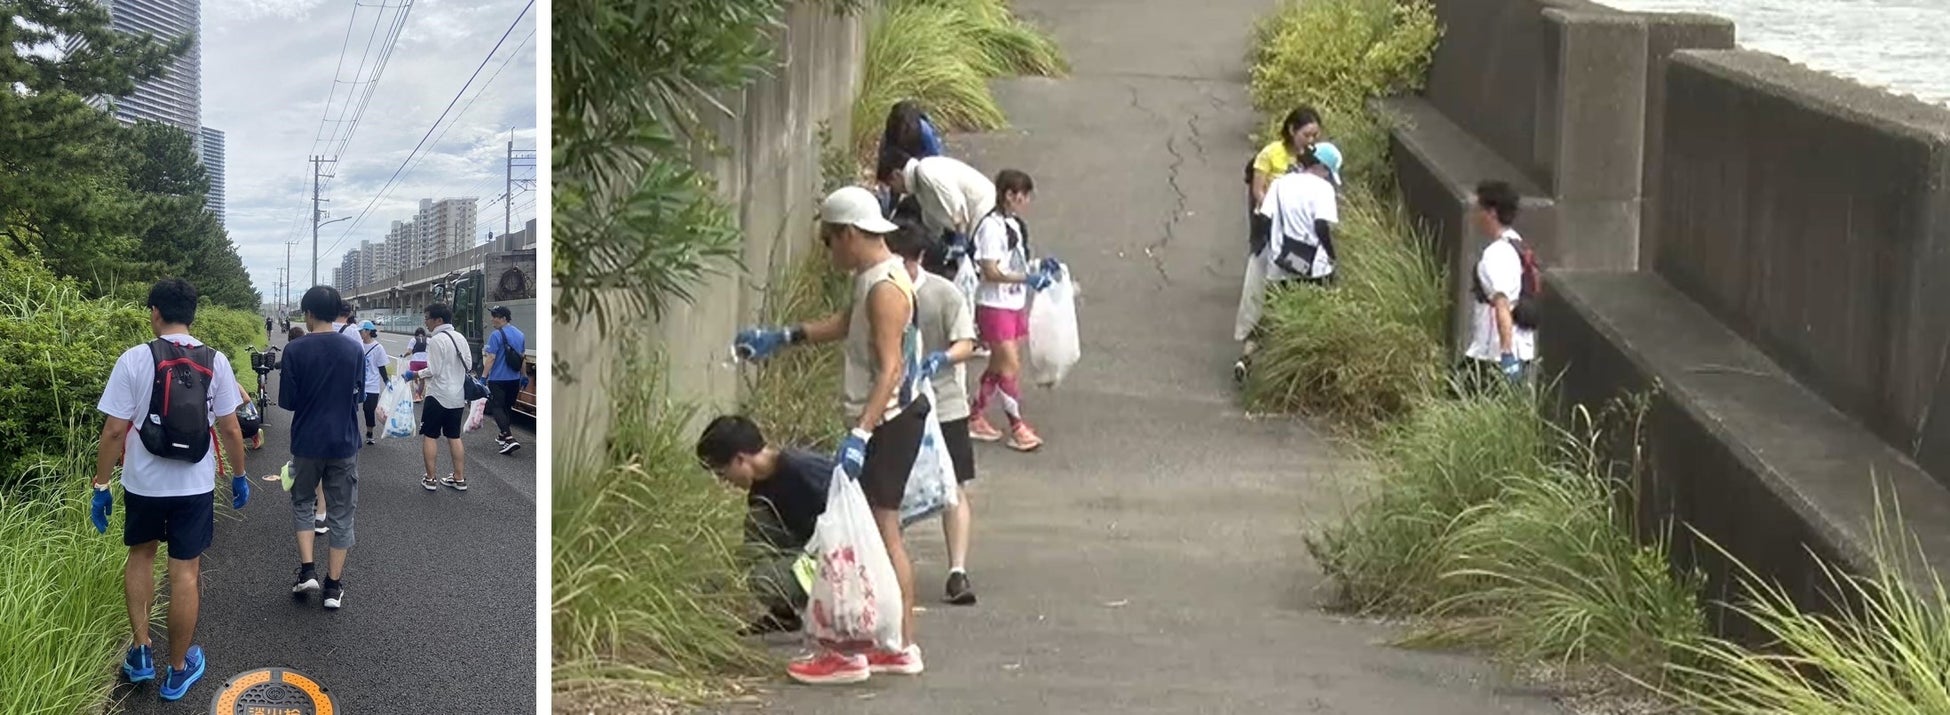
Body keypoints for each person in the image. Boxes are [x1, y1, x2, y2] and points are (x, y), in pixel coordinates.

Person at [735, 185, 930, 684]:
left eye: (828, 240)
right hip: (888, 420)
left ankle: (869, 646)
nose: (827, 251)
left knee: (879, 535)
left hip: (888, 421)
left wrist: (862, 434)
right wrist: (786, 337)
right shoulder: (873, 276)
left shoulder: (886, 286)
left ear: (848, 234)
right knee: (877, 533)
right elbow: (850, 323)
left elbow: (889, 368)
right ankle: (892, 644)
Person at [93, 279, 249, 701]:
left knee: (141, 555)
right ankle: (177, 670)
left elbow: (112, 431)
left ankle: (141, 653)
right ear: (193, 315)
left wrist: (101, 484)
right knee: (185, 572)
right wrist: (238, 475)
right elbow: (231, 428)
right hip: (193, 485)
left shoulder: (134, 359)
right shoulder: (215, 361)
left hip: (143, 483)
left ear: (155, 313)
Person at [888, 218, 984, 604]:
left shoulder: (944, 295)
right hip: (897, 404)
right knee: (891, 490)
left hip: (944, 403)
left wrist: (940, 359)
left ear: (920, 259)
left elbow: (967, 342)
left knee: (953, 486)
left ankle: (957, 571)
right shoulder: (881, 292)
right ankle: (893, 569)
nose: (900, 269)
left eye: (906, 262)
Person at [694, 415, 835, 635]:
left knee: (763, 579)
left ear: (740, 459)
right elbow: (753, 549)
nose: (723, 481)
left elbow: (857, 508)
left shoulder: (803, 469)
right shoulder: (760, 491)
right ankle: (783, 616)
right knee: (758, 521)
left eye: (722, 473)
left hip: (842, 555)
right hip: (810, 543)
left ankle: (833, 614)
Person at [280, 286, 363, 610]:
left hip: (306, 441)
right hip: (343, 441)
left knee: (303, 501)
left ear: (309, 314)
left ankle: (307, 571)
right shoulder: (353, 349)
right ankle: (333, 587)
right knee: (342, 512)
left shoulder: (295, 350)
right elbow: (357, 395)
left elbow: (287, 401)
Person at [1235, 142, 1344, 382]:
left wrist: (1268, 249)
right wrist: (1332, 257)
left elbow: (1264, 218)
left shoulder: (1281, 184)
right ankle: (1301, 372)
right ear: (1323, 168)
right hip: (1315, 266)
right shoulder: (1324, 190)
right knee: (1316, 316)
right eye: (1329, 173)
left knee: (1272, 312)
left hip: (1281, 262)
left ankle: (1247, 357)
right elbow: (1322, 226)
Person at [968, 169, 1058, 451]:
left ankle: (974, 416)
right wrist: (1025, 279)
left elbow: (1015, 261)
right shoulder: (990, 228)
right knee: (1010, 366)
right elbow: (991, 271)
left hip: (1013, 304)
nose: (1026, 201)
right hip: (994, 306)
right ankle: (1017, 427)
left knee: (998, 365)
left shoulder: (1014, 225)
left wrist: (1037, 267)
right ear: (1009, 195)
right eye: (1023, 196)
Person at [876, 148, 996, 280]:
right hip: (972, 221)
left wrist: (960, 240)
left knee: (983, 270)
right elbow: (933, 226)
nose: (895, 191)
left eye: (891, 185)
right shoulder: (920, 192)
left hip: (984, 211)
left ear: (897, 175)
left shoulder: (926, 170)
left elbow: (956, 205)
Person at [1464, 180, 1537, 387]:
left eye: (1480, 209)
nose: (1476, 215)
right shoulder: (1517, 244)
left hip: (1493, 357)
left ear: (1492, 213)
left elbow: (1502, 305)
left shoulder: (1496, 254)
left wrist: (1506, 357)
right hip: (1520, 352)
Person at [403, 303, 472, 492]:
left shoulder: (437, 340)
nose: (425, 322)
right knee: (454, 436)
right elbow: (469, 364)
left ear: (438, 320)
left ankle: (431, 478)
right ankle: (459, 478)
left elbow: (432, 370)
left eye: (427, 318)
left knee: (430, 436)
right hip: (457, 395)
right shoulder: (460, 338)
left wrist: (413, 374)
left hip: (438, 395)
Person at [480, 305, 527, 455]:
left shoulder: (496, 335)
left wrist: (483, 377)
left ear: (504, 318)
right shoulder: (520, 334)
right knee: (507, 408)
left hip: (498, 379)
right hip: (514, 379)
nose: (492, 319)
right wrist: (524, 376)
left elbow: (491, 358)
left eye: (496, 316)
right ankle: (502, 435)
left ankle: (509, 439)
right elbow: (522, 358)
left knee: (497, 408)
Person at [357, 321, 390, 445]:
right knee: (353, 409)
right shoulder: (358, 345)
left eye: (361, 331)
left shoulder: (378, 348)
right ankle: (352, 433)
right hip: (359, 384)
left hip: (372, 385)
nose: (360, 333)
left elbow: (381, 367)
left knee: (369, 409)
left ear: (368, 331)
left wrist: (386, 381)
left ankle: (369, 433)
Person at [406, 327, 430, 404]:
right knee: (422, 379)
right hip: (425, 362)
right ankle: (419, 395)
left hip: (415, 361)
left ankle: (416, 394)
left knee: (415, 378)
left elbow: (409, 352)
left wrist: (403, 356)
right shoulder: (428, 339)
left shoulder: (413, 339)